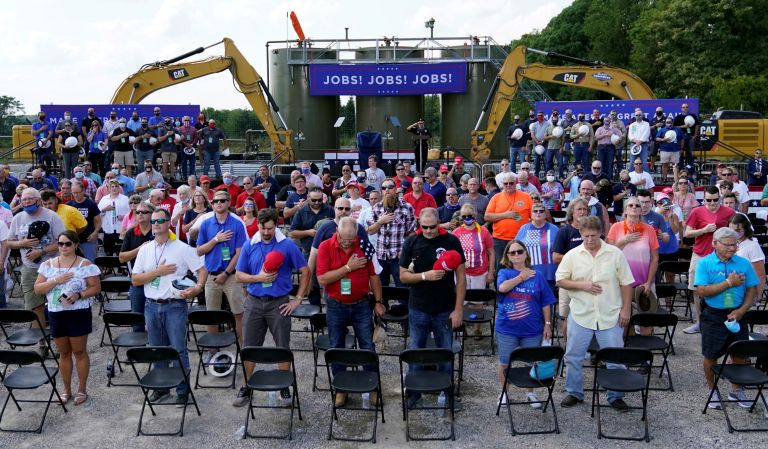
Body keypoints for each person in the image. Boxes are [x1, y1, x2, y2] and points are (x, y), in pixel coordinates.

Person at [233, 208, 310, 407]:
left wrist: (298, 299)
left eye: (270, 228)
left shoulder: (287, 245)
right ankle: (246, 386)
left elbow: (305, 270)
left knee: (282, 346)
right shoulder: (249, 244)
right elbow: (239, 276)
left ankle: (284, 385)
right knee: (249, 347)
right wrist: (257, 278)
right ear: (257, 225)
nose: (266, 232)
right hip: (255, 302)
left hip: (279, 303)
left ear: (276, 225)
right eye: (262, 228)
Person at [556, 216, 635, 411]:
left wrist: (626, 309)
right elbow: (560, 280)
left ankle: (616, 395)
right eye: (585, 236)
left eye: (593, 235)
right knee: (574, 356)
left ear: (600, 233)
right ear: (580, 234)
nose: (589, 239)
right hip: (581, 314)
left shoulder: (615, 254)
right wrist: (582, 285)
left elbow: (627, 283)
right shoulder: (572, 255)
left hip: (610, 315)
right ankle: (574, 392)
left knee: (615, 358)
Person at [132, 208, 207, 407]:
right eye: (154, 220)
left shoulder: (182, 248)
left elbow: (201, 270)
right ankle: (161, 387)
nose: (156, 223)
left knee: (178, 350)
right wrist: (158, 272)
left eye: (161, 220)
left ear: (168, 224)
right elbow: (135, 279)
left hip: (174, 305)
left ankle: (183, 390)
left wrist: (198, 288)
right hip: (151, 305)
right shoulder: (145, 249)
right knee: (157, 350)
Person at [399, 208, 466, 407]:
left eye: (433, 227)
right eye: (424, 227)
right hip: (418, 307)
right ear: (419, 223)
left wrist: (459, 309)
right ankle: (414, 392)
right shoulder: (412, 241)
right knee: (416, 350)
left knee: (445, 351)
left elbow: (461, 278)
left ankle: (447, 393)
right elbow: (403, 276)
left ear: (440, 223)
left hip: (445, 308)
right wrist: (423, 276)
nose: (428, 231)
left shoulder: (451, 241)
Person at [316, 217, 385, 407]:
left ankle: (372, 387)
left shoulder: (363, 245)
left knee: (367, 346)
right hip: (336, 304)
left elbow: (374, 276)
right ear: (337, 232)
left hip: (362, 304)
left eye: (351, 239)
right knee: (337, 346)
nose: (347, 243)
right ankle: (342, 388)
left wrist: (378, 301)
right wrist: (348, 268)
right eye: (344, 239)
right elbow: (322, 279)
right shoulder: (325, 247)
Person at [693, 227, 758, 409]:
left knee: (739, 353)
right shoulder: (705, 263)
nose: (732, 249)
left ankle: (736, 390)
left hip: (737, 313)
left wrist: (742, 311)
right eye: (728, 245)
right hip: (714, 315)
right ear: (715, 243)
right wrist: (729, 283)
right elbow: (702, 291)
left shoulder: (743, 263)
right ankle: (712, 391)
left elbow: (752, 289)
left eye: (735, 245)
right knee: (711, 354)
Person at [34, 230, 100, 406]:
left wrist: (80, 294)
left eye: (67, 243)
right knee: (63, 353)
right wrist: (56, 280)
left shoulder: (85, 264)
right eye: (60, 243)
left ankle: (82, 389)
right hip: (56, 312)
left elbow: (96, 287)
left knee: (79, 351)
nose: (63, 247)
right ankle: (66, 390)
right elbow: (38, 289)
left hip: (78, 312)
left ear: (76, 245)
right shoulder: (48, 265)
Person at [495, 240, 556, 407]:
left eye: (519, 251)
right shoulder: (504, 273)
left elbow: (545, 302)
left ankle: (530, 393)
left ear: (526, 253)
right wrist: (522, 276)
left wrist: (548, 324)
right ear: (507, 256)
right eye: (512, 252)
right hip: (507, 328)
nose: (516, 255)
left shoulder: (538, 276)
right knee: (505, 361)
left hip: (533, 329)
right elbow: (502, 288)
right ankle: (504, 393)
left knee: (532, 361)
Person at [8, 187, 66, 347]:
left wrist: (41, 250)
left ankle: (62, 337)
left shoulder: (51, 216)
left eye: (29, 199)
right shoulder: (18, 218)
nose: (26, 202)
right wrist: (22, 243)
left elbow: (63, 242)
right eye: (23, 200)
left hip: (52, 267)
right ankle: (42, 342)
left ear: (38, 200)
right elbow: (9, 242)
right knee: (35, 306)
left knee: (60, 303)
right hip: (29, 269)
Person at [196, 190, 248, 347]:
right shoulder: (205, 223)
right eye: (215, 201)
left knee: (238, 313)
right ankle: (213, 349)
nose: (218, 203)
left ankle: (243, 347)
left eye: (222, 200)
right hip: (211, 276)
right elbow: (199, 250)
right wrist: (215, 240)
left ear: (229, 203)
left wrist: (226, 273)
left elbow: (240, 253)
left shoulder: (237, 223)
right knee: (212, 315)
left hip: (231, 276)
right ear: (211, 204)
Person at [683, 186, 736, 334]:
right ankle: (700, 323)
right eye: (709, 200)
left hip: (722, 256)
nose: (712, 203)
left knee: (727, 287)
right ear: (704, 199)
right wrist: (704, 230)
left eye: (715, 200)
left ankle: (728, 320)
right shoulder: (697, 211)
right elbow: (687, 233)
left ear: (720, 198)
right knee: (696, 289)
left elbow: (736, 231)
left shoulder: (729, 212)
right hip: (700, 254)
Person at [607, 197, 659, 300]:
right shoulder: (616, 227)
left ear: (641, 210)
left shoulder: (649, 229)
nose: (634, 207)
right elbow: (608, 254)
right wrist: (624, 241)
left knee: (646, 314)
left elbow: (655, 258)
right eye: (630, 205)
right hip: (620, 282)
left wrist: (648, 282)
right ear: (625, 210)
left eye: (637, 205)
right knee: (623, 315)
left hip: (644, 283)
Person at [367, 179, 416, 287]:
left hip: (399, 254)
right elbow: (370, 231)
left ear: (396, 189)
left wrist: (405, 250)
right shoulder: (376, 208)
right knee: (381, 286)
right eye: (384, 188)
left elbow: (412, 233)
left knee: (402, 285)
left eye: (390, 187)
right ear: (381, 191)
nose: (387, 190)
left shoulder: (407, 207)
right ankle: (382, 304)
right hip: (381, 254)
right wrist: (380, 221)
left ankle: (403, 304)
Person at [485, 172, 533, 269]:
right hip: (500, 239)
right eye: (506, 183)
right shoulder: (496, 198)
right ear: (502, 185)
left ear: (516, 183)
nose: (508, 185)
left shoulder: (526, 197)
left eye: (511, 183)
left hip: (521, 238)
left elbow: (533, 217)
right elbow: (487, 217)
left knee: (521, 265)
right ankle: (500, 284)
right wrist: (505, 215)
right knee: (501, 266)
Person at [119, 201, 155, 330]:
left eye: (144, 212)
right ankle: (139, 348)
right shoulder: (131, 232)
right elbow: (122, 258)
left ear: (152, 214)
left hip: (157, 280)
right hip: (138, 281)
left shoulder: (159, 231)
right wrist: (140, 249)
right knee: (137, 320)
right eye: (137, 212)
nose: (140, 214)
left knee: (155, 320)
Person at [516, 202, 560, 293]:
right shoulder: (524, 228)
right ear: (531, 214)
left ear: (545, 214)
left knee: (548, 303)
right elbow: (516, 248)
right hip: (529, 272)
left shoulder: (554, 229)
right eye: (535, 211)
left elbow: (560, 250)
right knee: (531, 303)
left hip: (549, 273)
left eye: (541, 211)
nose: (538, 213)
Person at [454, 204, 494, 289]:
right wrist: (461, 262)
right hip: (461, 272)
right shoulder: (456, 232)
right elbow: (452, 253)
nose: (467, 218)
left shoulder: (484, 232)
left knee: (477, 301)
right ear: (461, 217)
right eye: (464, 216)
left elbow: (491, 253)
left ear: (475, 216)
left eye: (470, 215)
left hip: (480, 273)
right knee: (463, 300)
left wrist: (490, 272)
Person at [729, 214, 766, 304]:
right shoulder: (731, 242)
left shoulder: (752, 245)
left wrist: (757, 296)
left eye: (738, 230)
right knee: (728, 314)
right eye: (731, 230)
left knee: (740, 315)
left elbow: (760, 274)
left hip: (746, 291)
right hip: (729, 289)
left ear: (745, 229)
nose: (734, 233)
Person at [289, 188, 334, 258]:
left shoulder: (330, 210)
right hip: (308, 252)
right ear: (308, 198)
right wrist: (308, 232)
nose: (317, 202)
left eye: (320, 200)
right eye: (314, 200)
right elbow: (292, 233)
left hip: (327, 252)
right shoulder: (301, 212)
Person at [98, 179, 130, 256]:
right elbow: (98, 213)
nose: (114, 188)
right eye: (112, 187)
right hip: (108, 229)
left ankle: (121, 267)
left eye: (116, 186)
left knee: (121, 251)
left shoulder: (125, 199)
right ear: (109, 188)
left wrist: (124, 217)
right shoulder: (104, 199)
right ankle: (110, 267)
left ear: (119, 188)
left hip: (121, 229)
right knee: (108, 251)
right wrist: (104, 209)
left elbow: (131, 213)